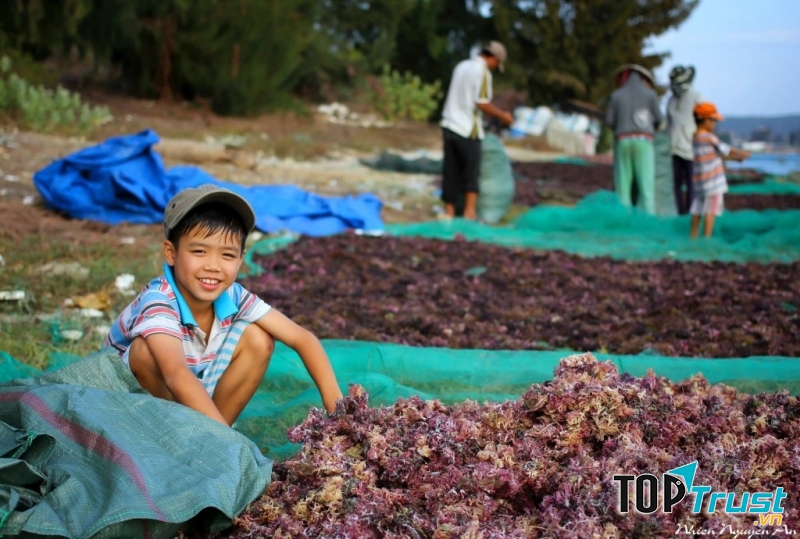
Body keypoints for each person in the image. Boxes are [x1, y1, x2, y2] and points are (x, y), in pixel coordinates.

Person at [106, 184, 343, 426]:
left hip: (188, 389)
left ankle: (210, 437)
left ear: (241, 259)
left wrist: (339, 411)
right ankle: (200, 438)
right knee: (145, 352)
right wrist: (225, 440)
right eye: (199, 251)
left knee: (258, 338)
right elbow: (176, 375)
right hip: (122, 410)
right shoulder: (158, 301)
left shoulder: (233, 295)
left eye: (227, 255)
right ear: (171, 252)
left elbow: (302, 338)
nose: (213, 266)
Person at [440, 40, 515, 219]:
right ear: (494, 58)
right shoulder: (482, 72)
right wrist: (503, 116)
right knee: (471, 172)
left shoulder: (461, 66)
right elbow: (481, 102)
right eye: (497, 64)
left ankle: (449, 212)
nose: (495, 67)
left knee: (451, 171)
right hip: (467, 129)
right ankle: (469, 212)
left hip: (449, 124)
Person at [605, 64, 663, 214]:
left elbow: (609, 120)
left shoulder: (616, 95)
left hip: (623, 141)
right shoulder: (650, 95)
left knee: (623, 186)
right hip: (644, 141)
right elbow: (659, 119)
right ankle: (647, 219)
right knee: (646, 187)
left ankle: (623, 218)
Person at [690, 103, 750, 238]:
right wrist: (742, 153)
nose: (715, 124)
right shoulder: (709, 137)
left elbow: (715, 155)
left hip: (700, 183)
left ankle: (693, 237)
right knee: (710, 211)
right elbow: (725, 149)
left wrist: (735, 159)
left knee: (697, 210)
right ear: (706, 120)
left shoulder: (695, 138)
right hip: (713, 183)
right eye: (713, 121)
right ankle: (707, 238)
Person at [666, 65, 704, 214]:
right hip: (674, 147)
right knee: (676, 183)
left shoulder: (697, 97)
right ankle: (680, 212)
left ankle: (690, 212)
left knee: (691, 182)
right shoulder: (671, 101)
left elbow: (705, 119)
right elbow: (667, 123)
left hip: (691, 148)